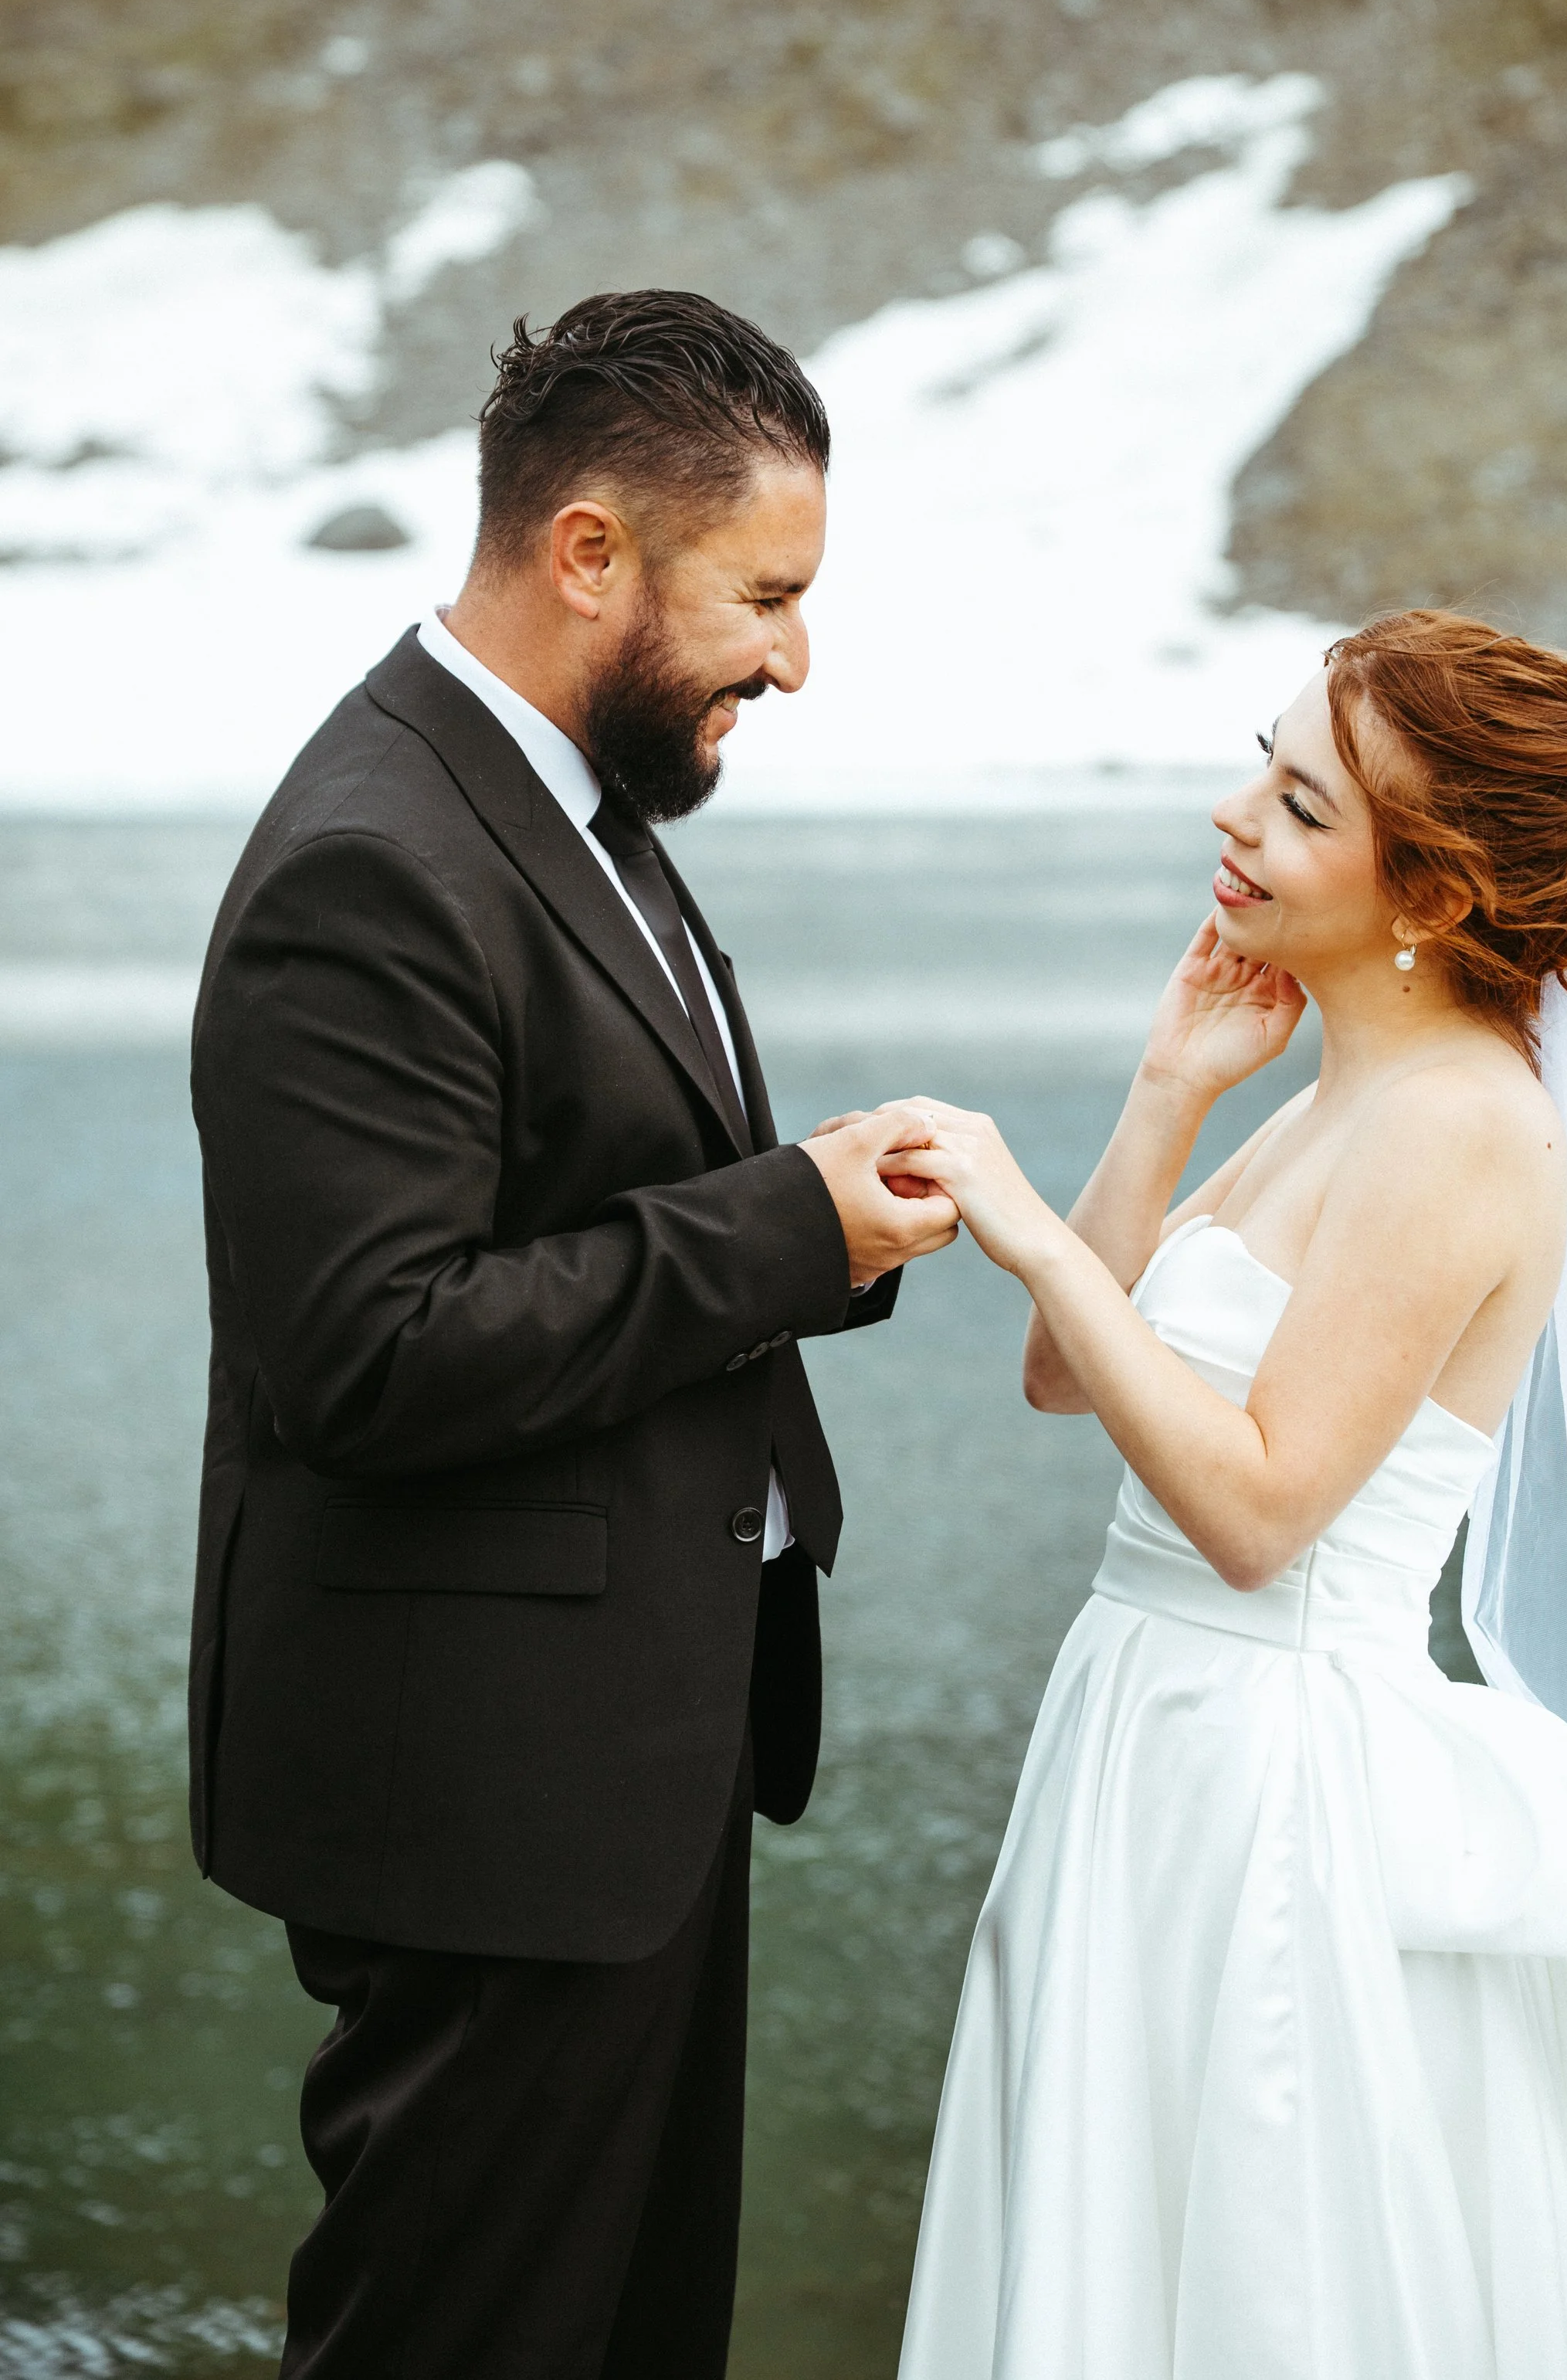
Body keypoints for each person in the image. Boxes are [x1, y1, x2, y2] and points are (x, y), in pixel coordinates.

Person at [884, 609, 1567, 2380]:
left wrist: (1014, 1213)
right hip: (1148, 1728)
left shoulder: (1460, 1126)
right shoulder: (1324, 1095)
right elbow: (1072, 1381)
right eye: (1261, 765)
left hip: (1276, 1771)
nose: (1234, 817)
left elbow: (1261, 1511)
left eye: (1296, 805)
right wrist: (1165, 1092)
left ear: (1426, 894)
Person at [186, 290, 958, 2380]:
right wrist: (782, 1223)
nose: (793, 654)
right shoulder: (374, 857)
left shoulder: (574, 799)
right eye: (766, 595)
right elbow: (369, 1347)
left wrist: (815, 1221)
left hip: (620, 1763)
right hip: (480, 1793)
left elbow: (590, 1199)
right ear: (589, 551)